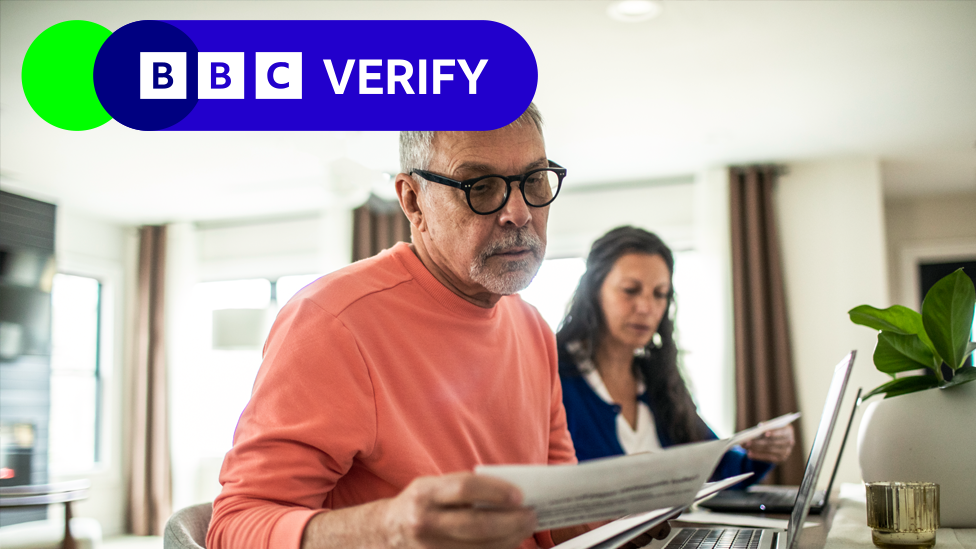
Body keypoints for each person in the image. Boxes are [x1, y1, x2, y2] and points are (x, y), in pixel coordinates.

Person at [207, 106, 663, 549]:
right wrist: (389, 529)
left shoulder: (533, 328)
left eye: (534, 180)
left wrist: (623, 510)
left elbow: (550, 521)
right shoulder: (333, 322)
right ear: (412, 201)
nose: (520, 213)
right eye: (480, 186)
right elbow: (234, 526)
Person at [556, 226, 794, 485]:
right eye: (630, 290)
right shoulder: (555, 374)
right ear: (594, 291)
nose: (647, 307)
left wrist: (764, 449)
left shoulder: (659, 381)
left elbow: (720, 465)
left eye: (660, 294)